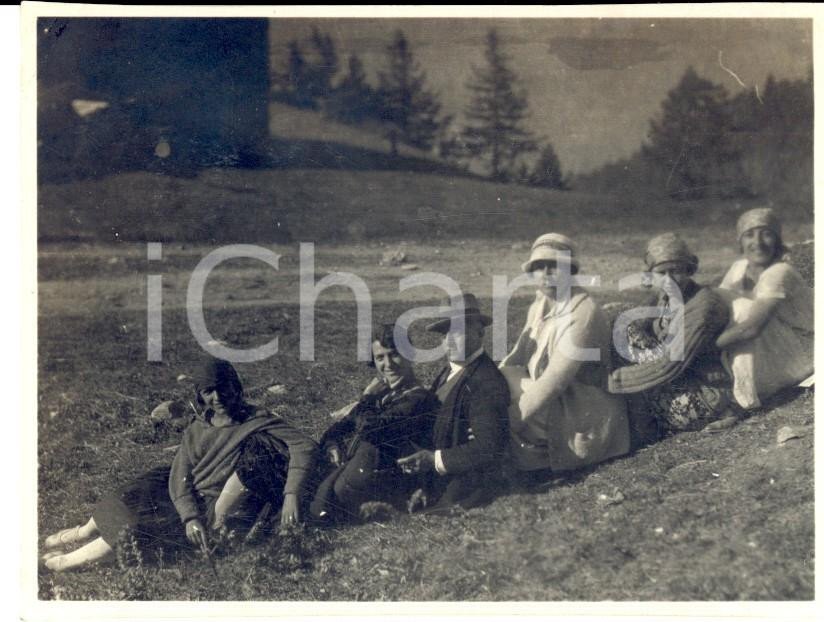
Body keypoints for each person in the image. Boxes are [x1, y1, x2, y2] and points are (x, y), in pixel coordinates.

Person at [41, 356, 317, 572]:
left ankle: (69, 562)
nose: (217, 398)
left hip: (207, 500)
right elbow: (179, 474)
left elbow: (303, 445)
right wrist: (189, 514)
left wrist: (291, 494)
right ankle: (83, 531)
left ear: (237, 388)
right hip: (180, 489)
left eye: (223, 389)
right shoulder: (197, 428)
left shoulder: (257, 420)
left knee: (140, 531)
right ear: (200, 395)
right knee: (132, 494)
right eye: (209, 391)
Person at [500, 233, 629, 477]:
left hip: (581, 411)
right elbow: (515, 358)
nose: (546, 273)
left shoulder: (583, 312)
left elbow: (555, 381)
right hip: (555, 396)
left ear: (570, 270)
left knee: (505, 416)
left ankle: (530, 459)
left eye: (554, 266)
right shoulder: (541, 304)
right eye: (539, 267)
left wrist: (505, 420)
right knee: (496, 381)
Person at [607, 233, 735, 435]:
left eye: (675, 271)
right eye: (661, 273)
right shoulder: (666, 297)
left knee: (624, 389)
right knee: (623, 325)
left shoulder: (703, 306)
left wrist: (614, 380)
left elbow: (671, 364)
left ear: (689, 269)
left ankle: (641, 425)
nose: (668, 280)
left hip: (705, 394)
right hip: (682, 380)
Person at [309, 324, 437, 522]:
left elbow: (372, 429)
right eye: (380, 358)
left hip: (388, 486)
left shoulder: (418, 398)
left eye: (394, 354)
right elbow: (334, 430)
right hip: (355, 473)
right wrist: (332, 445)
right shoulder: (385, 394)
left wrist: (366, 398)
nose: (388, 364)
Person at [397, 293, 510, 512]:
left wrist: (434, 460)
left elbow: (489, 447)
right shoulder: (449, 371)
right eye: (444, 332)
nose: (448, 340)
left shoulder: (485, 381)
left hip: (460, 484)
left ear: (479, 332)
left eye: (457, 331)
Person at [715, 207, 814, 409]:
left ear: (777, 240)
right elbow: (718, 305)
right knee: (723, 299)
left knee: (742, 311)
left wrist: (707, 347)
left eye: (766, 234)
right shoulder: (739, 268)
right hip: (772, 344)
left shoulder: (780, 272)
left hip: (805, 353)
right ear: (740, 242)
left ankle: (742, 403)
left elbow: (752, 328)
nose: (757, 243)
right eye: (749, 235)